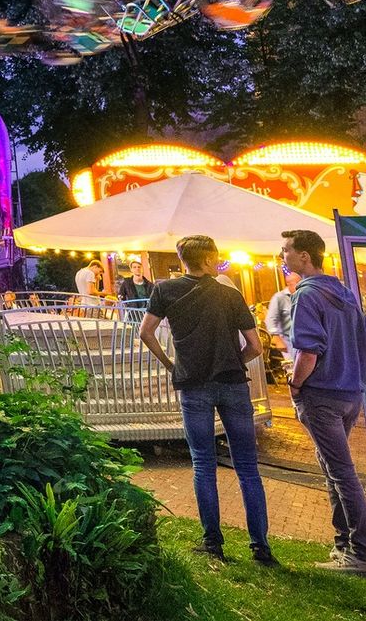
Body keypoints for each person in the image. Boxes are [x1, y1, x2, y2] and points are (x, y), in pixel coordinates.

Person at [138, 233, 273, 564]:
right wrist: (234, 360)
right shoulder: (230, 295)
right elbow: (256, 345)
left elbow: (146, 332)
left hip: (193, 385)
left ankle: (212, 542)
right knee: (247, 467)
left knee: (203, 463)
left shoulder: (164, 290)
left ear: (182, 259)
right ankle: (260, 547)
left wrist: (172, 364)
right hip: (232, 384)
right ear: (210, 259)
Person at [282, 227, 366, 576]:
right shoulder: (343, 291)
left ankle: (364, 554)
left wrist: (294, 385)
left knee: (341, 473)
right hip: (350, 392)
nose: (284, 256)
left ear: (304, 256)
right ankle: (344, 545)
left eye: (287, 251)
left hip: (322, 394)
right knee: (332, 469)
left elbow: (308, 351)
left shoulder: (306, 294)